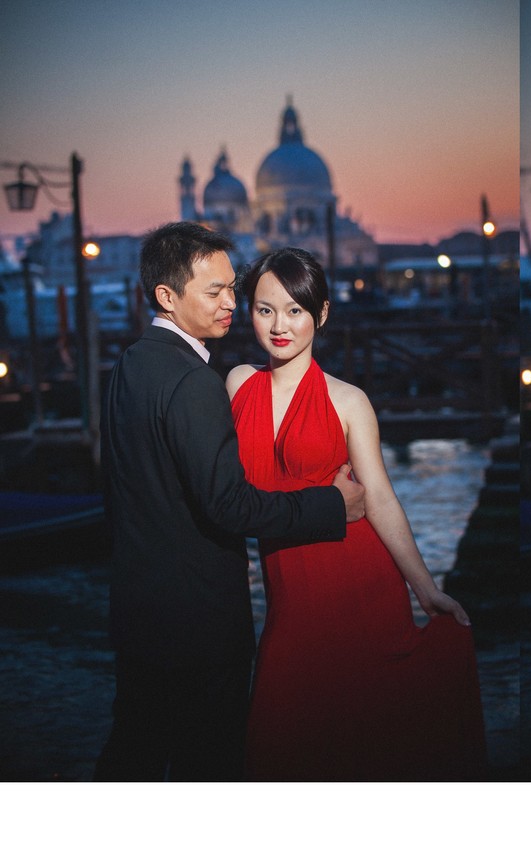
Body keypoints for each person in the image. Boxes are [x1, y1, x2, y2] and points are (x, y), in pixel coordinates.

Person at [95, 222, 365, 782]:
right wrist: (330, 506)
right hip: (197, 621)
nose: (230, 304)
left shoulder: (128, 366)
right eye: (213, 292)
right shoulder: (194, 381)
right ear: (167, 296)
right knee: (208, 765)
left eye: (230, 289)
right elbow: (230, 506)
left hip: (137, 609)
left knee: (134, 757)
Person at [227, 247, 487, 780]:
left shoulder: (349, 401)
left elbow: (383, 498)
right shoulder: (236, 385)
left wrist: (425, 587)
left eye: (296, 310)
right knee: (279, 745)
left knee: (361, 744)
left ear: (321, 315)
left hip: (356, 582)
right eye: (265, 309)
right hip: (287, 596)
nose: (280, 325)